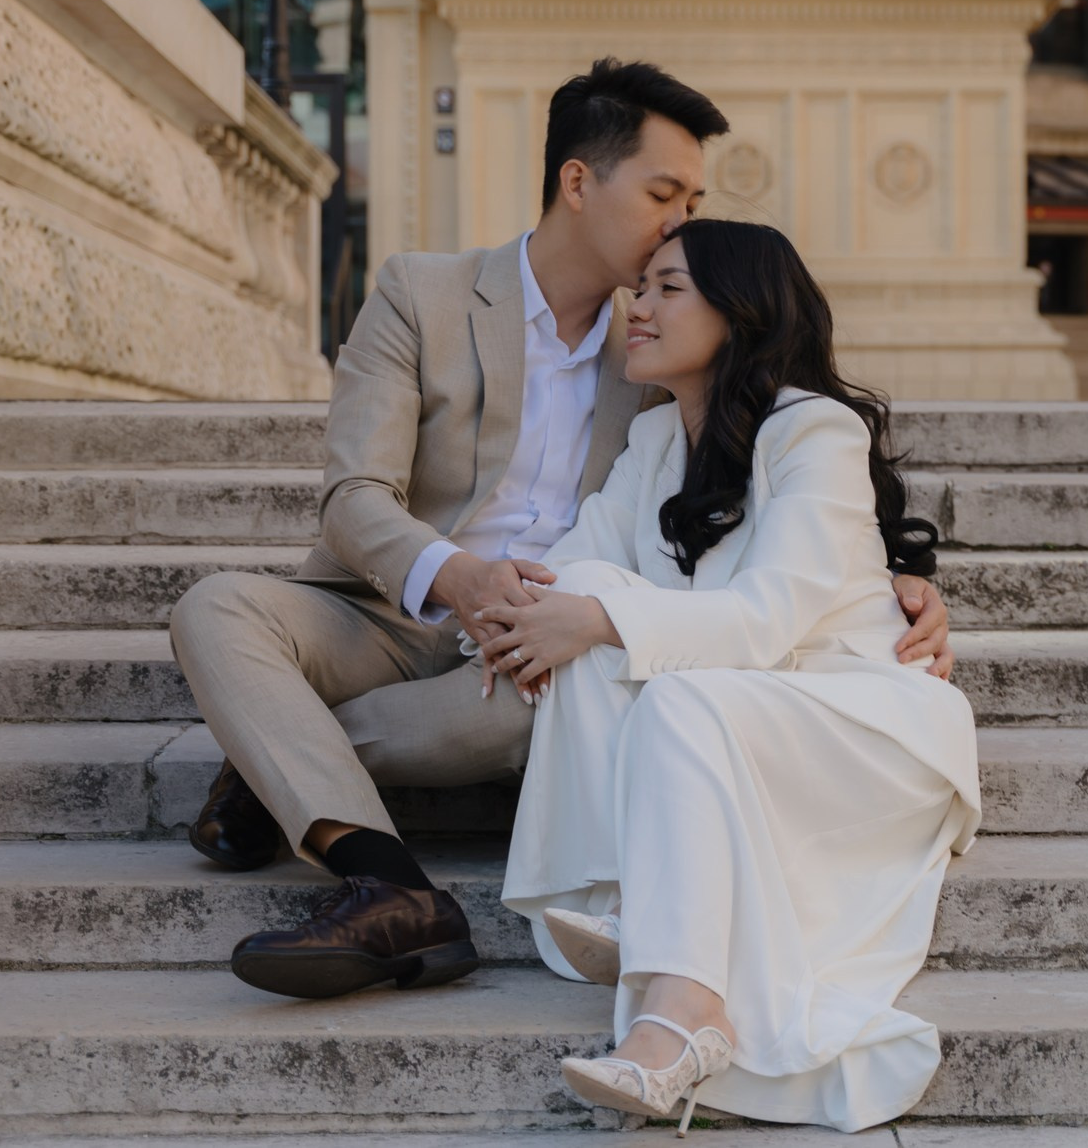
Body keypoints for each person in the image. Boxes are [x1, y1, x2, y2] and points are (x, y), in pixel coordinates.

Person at [167, 60, 955, 1000]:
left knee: (565, 693)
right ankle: (389, 882)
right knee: (215, 609)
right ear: (578, 182)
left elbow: (766, 467)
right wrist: (459, 577)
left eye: (694, 201)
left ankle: (273, 765)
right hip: (389, 607)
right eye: (663, 193)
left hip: (536, 646)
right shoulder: (423, 293)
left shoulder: (661, 351)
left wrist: (888, 583)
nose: (679, 221)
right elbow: (354, 498)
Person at [472, 218, 979, 1134]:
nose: (639, 305)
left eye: (670, 288)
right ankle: (622, 893)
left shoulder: (813, 429)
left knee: (649, 666)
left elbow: (768, 617)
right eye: (643, 286)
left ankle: (685, 1014)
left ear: (740, 311)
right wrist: (520, 617)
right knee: (590, 593)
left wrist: (594, 619)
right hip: (730, 714)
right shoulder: (656, 440)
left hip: (852, 720)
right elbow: (572, 569)